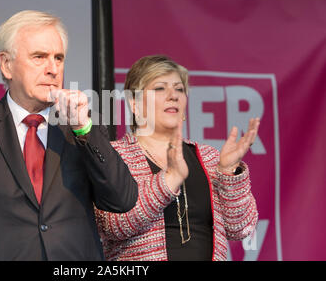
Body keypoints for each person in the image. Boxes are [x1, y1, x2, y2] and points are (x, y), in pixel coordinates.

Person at [0, 10, 138, 261]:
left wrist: (84, 130)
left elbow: (122, 200)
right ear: (6, 65)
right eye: (39, 57)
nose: (53, 69)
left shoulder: (81, 126)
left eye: (58, 58)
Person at [95, 55, 259, 261]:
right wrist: (169, 179)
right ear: (134, 103)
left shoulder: (209, 158)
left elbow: (242, 228)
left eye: (179, 89)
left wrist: (229, 172)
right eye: (160, 88)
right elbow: (114, 224)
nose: (173, 96)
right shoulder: (114, 156)